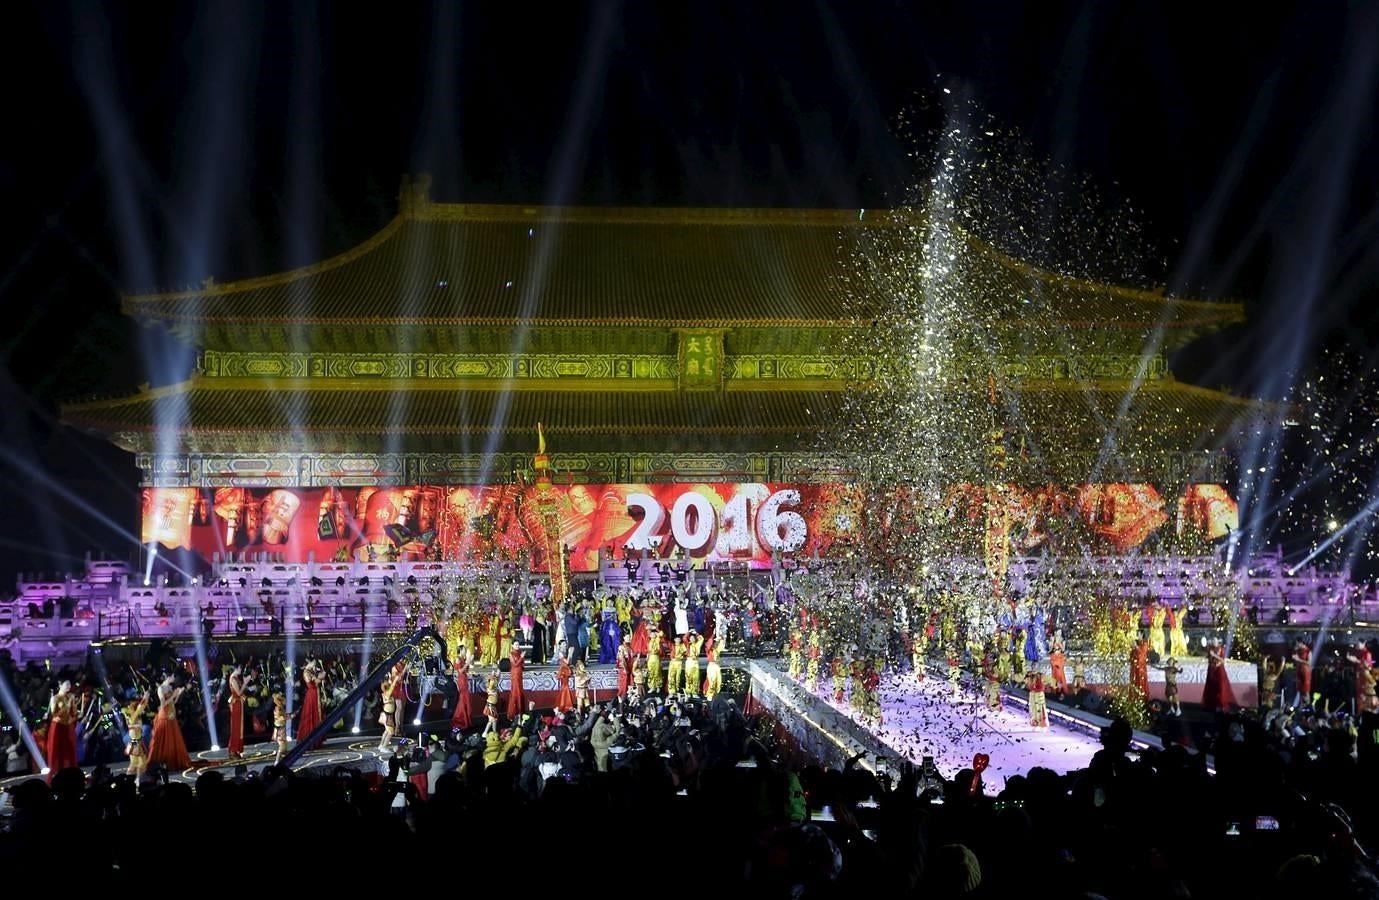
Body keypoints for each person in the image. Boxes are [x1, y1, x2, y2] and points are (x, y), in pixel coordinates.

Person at [146, 674, 191, 772]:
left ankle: (172, 762)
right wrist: (174, 695)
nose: (174, 678)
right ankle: (161, 763)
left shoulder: (170, 687)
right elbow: (162, 704)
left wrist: (178, 695)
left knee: (173, 741)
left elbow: (173, 702)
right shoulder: (160, 689)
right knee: (164, 741)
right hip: (165, 716)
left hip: (172, 715)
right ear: (168, 677)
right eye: (173, 676)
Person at [45, 680, 82, 781]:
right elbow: (53, 714)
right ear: (60, 685)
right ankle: (56, 775)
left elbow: (74, 713)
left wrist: (76, 714)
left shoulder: (71, 696)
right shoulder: (55, 698)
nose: (69, 686)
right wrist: (67, 705)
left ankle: (72, 775)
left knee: (70, 750)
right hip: (58, 727)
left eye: (70, 684)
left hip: (68, 727)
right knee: (57, 751)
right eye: (66, 684)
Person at [1201, 638, 1236, 712]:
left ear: (1217, 642)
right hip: (1211, 670)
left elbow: (1223, 660)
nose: (1214, 642)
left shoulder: (1221, 649)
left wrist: (1214, 655)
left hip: (1219, 671)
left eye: (1215, 641)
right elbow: (1208, 658)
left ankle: (1221, 704)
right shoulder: (1210, 649)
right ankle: (1212, 704)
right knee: (1211, 686)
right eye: (1213, 641)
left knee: (1220, 686)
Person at [378, 661, 407, 751]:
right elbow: (393, 685)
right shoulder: (387, 693)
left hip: (387, 713)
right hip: (388, 715)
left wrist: (391, 679)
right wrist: (394, 680)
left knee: (386, 731)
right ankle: (384, 746)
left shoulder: (385, 693)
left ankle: (381, 745)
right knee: (390, 732)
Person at [297, 659, 324, 752]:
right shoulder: (306, 672)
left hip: (315, 694)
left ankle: (317, 739)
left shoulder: (311, 671)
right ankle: (310, 741)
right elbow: (311, 684)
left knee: (316, 715)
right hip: (311, 695)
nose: (314, 666)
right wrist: (318, 678)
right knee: (311, 714)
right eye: (313, 665)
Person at [123, 692, 151, 783]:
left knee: (139, 762)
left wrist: (145, 698)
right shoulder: (129, 713)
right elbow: (139, 709)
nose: (135, 703)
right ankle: (131, 780)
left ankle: (137, 779)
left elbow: (140, 708)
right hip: (135, 741)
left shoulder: (133, 712)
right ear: (129, 703)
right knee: (136, 762)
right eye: (133, 702)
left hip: (137, 740)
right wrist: (144, 698)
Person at [226, 667, 250, 760]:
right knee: (236, 728)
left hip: (238, 704)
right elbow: (239, 693)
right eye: (240, 667)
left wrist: (244, 682)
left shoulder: (236, 678)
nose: (241, 669)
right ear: (235, 668)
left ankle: (236, 750)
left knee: (239, 728)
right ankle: (232, 750)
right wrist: (245, 683)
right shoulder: (233, 678)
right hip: (236, 705)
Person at [450, 648, 473, 731]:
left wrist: (468, 663)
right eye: (464, 650)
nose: (465, 651)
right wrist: (468, 663)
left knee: (466, 699)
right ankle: (459, 718)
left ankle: (466, 719)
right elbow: (460, 671)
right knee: (463, 699)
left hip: (465, 679)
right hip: (461, 680)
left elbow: (465, 670)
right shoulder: (458, 659)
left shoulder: (462, 659)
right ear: (460, 650)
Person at [506, 642, 526, 720]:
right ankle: (514, 712)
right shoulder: (510, 654)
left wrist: (522, 658)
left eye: (518, 645)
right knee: (515, 691)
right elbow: (514, 664)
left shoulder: (520, 652)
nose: (517, 646)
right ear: (512, 646)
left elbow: (522, 664)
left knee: (520, 691)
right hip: (514, 674)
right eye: (516, 645)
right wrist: (521, 657)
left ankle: (520, 712)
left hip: (519, 674)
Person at [1292, 638, 1313, 708]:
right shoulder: (1298, 650)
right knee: (1300, 690)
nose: (1296, 645)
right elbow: (1295, 660)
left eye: (1297, 643)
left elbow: (1309, 663)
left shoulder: (1308, 651)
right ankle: (1302, 706)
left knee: (1306, 691)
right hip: (1299, 672)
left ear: (1301, 643)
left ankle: (1308, 706)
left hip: (1306, 672)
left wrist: (1299, 660)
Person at [271, 692, 289, 766]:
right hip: (279, 729)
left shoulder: (281, 708)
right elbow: (281, 717)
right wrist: (289, 717)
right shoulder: (278, 708)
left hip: (282, 728)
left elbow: (284, 716)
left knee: (284, 744)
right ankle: (277, 761)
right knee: (281, 745)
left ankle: (284, 760)